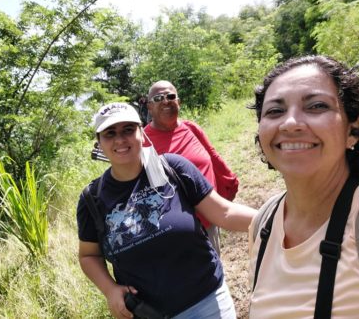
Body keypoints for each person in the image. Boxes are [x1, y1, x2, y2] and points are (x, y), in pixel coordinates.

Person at [77, 102, 257, 319]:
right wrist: (110, 289)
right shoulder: (92, 199)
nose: (120, 139)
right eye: (110, 133)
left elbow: (224, 213)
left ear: (141, 133)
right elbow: (89, 255)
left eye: (128, 129)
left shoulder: (172, 168)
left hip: (208, 301)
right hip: (150, 313)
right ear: (99, 142)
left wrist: (276, 218)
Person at [248, 55, 359, 318]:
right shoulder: (263, 224)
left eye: (316, 106)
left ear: (353, 129)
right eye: (275, 111)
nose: (290, 123)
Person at [144, 80, 239, 255]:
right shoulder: (143, 141)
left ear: (178, 102)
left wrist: (230, 184)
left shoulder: (191, 128)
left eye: (171, 96)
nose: (166, 101)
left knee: (214, 274)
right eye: (158, 98)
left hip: (209, 221)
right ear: (149, 106)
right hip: (175, 230)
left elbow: (213, 157)